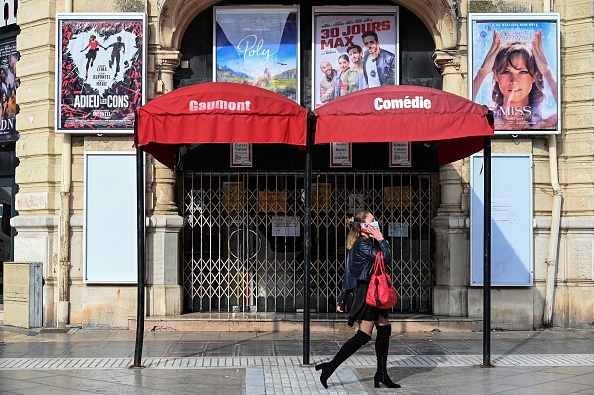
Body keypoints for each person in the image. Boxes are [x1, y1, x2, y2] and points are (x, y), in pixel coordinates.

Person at [315, 210, 400, 389]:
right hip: (368, 293)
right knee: (363, 336)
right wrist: (381, 239)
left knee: (384, 328)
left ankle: (382, 374)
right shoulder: (362, 245)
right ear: (363, 226)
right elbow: (386, 259)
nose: (376, 222)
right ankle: (329, 368)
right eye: (372, 220)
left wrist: (342, 298)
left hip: (373, 291)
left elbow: (349, 273)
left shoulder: (364, 243)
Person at [472, 29, 558, 130]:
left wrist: (547, 72)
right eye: (506, 72)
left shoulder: (547, 124)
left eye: (523, 72)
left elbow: (568, 115)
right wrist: (483, 71)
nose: (514, 80)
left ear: (534, 75)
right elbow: (460, 113)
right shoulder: (486, 122)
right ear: (496, 75)